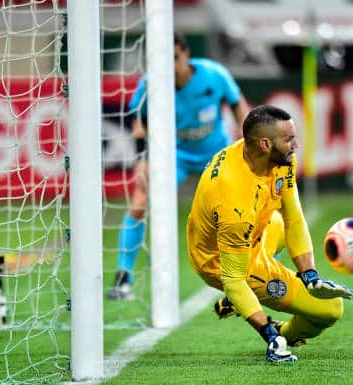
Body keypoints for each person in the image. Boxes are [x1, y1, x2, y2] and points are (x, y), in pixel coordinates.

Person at [186, 105, 353, 362]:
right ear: (265, 144)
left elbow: (293, 218)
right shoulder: (234, 202)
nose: (296, 145)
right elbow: (233, 279)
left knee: (278, 221)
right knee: (330, 309)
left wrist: (310, 276)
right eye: (289, 139)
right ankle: (282, 333)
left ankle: (246, 300)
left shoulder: (276, 158)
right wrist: (268, 335)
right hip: (222, 260)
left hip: (255, 230)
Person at [107, 33, 249, 300]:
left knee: (236, 207)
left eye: (174, 58)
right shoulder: (150, 85)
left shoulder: (213, 74)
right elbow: (139, 123)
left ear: (185, 54)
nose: (170, 65)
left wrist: (246, 140)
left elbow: (237, 103)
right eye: (162, 60)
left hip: (216, 151)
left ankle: (244, 272)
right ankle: (123, 278)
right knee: (139, 199)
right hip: (175, 154)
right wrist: (142, 162)